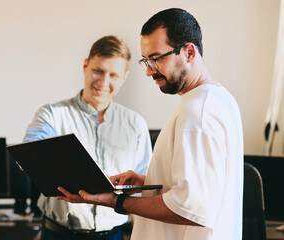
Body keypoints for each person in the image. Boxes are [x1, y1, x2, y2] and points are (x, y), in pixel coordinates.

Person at [57, 8, 244, 240]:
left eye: (156, 59)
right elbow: (203, 191)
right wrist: (150, 183)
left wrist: (116, 201)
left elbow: (191, 209)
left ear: (189, 52)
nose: (148, 71)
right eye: (146, 60)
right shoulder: (219, 100)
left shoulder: (197, 113)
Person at [23, 35, 153, 240]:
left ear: (124, 77)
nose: (104, 82)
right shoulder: (51, 115)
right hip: (59, 234)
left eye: (113, 75)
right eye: (98, 71)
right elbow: (30, 158)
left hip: (114, 236)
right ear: (85, 65)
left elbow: (142, 192)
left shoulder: (136, 124)